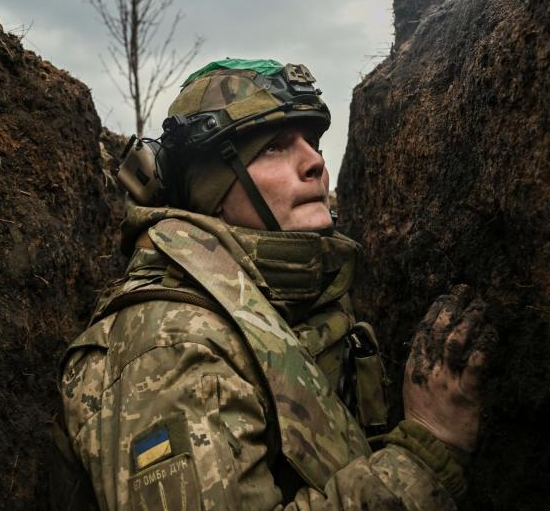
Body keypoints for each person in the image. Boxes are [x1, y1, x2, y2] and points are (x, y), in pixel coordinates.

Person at [53, 59, 492, 510]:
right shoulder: (171, 346)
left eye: (311, 141)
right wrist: (424, 455)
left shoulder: (291, 299)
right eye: (274, 148)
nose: (315, 162)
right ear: (213, 194)